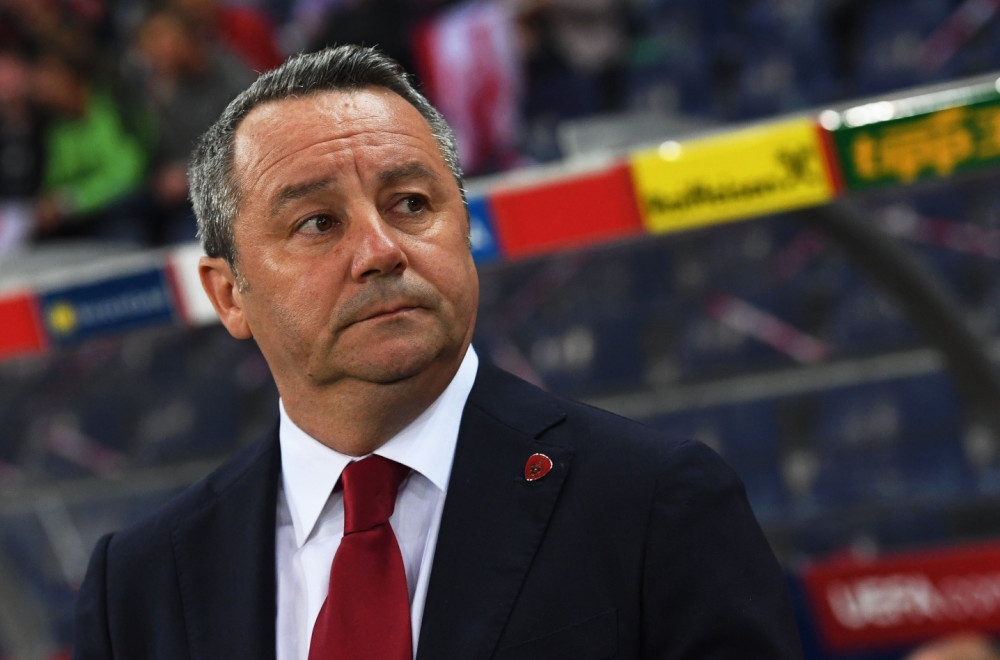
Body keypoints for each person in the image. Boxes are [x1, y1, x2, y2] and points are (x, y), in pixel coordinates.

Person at [72, 45, 803, 659]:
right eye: (318, 222)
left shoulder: (655, 502)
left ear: (464, 227)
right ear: (229, 294)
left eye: (412, 204)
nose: (381, 250)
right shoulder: (137, 583)